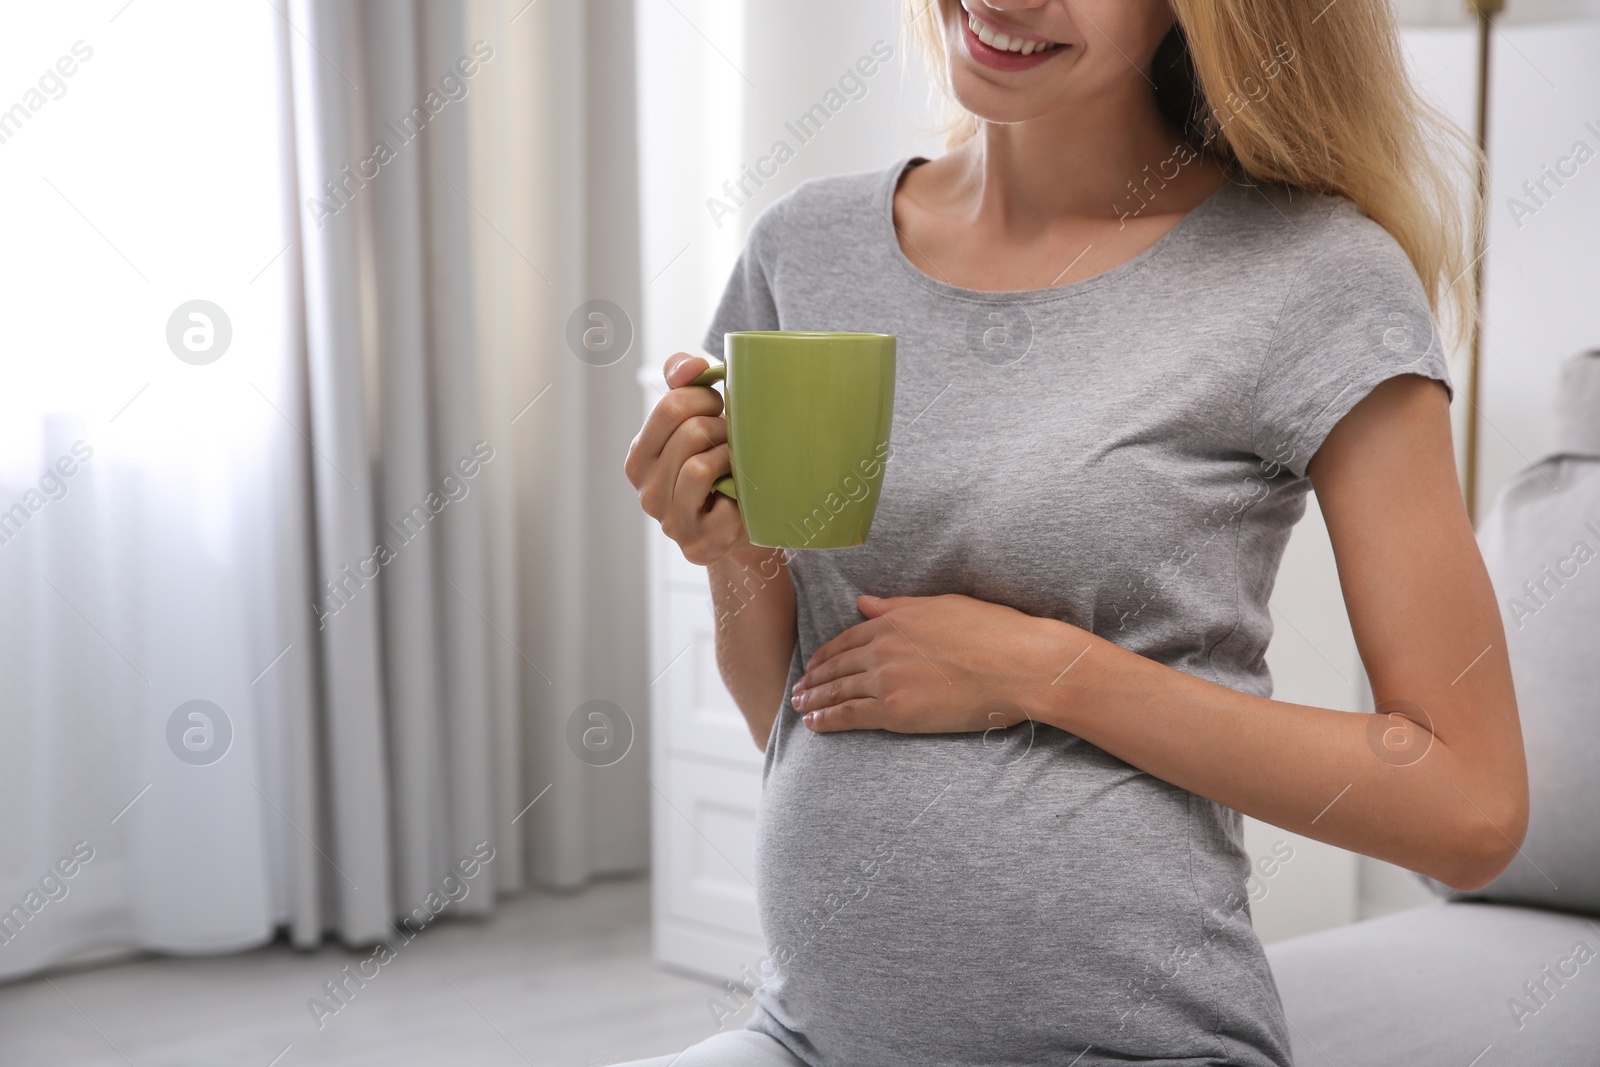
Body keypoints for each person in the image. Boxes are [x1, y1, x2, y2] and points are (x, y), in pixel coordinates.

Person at [621, 1, 1528, 1064]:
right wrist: (733, 552)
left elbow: (1468, 804)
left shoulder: (1311, 276)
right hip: (806, 1036)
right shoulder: (802, 248)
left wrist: (1049, 672)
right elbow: (798, 704)